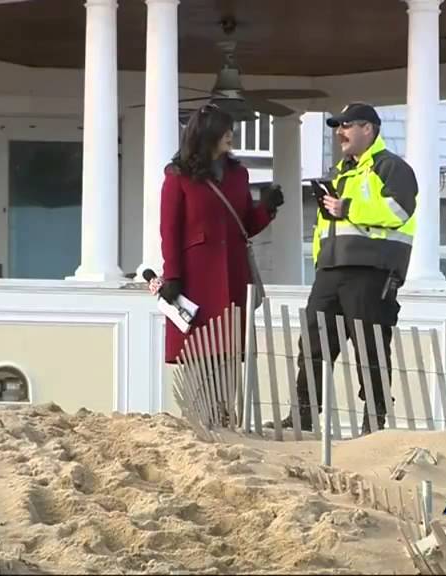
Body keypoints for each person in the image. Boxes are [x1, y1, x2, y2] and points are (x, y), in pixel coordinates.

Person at [281, 102, 418, 434]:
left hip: (371, 270)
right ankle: (304, 415)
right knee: (312, 341)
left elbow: (399, 210)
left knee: (370, 345)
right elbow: (324, 226)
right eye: (337, 127)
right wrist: (320, 261)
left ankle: (374, 419)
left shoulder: (391, 167)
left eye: (346, 125)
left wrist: (349, 208)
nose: (340, 133)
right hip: (331, 270)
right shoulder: (339, 172)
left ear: (367, 129)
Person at [153, 103, 284, 373]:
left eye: (230, 129)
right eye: (224, 130)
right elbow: (170, 230)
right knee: (199, 354)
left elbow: (244, 226)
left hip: (234, 274)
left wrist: (267, 208)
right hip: (196, 279)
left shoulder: (239, 174)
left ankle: (227, 401)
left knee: (230, 355)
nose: (230, 134)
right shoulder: (178, 176)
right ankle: (204, 402)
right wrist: (173, 275)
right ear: (206, 133)